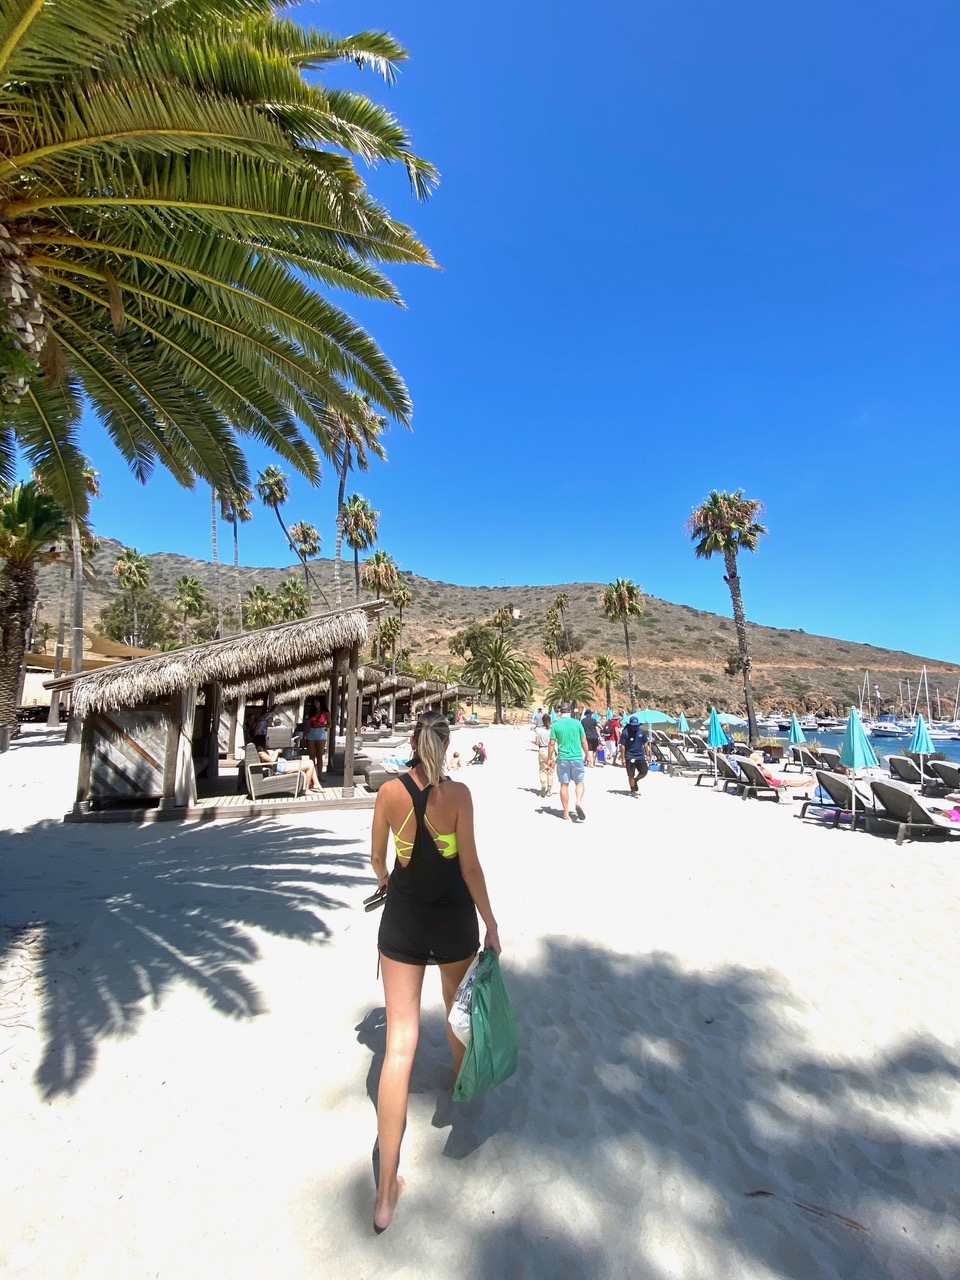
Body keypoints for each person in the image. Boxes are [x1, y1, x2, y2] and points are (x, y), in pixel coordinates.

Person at [370, 711, 500, 1233]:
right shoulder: (460, 795)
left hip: (401, 921)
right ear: (445, 747)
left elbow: (378, 859)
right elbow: (468, 866)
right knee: (455, 1014)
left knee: (399, 1043)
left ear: (410, 742)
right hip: (452, 922)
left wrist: (387, 880)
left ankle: (384, 1193)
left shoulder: (388, 793)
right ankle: (462, 1089)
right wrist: (490, 921)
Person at [548, 701, 588, 821]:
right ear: (571, 711)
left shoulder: (556, 725)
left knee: (564, 785)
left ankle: (566, 814)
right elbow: (584, 741)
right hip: (577, 757)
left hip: (563, 759)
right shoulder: (578, 723)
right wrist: (588, 755)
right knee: (579, 782)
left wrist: (550, 758)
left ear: (561, 711)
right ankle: (578, 802)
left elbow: (551, 744)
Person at [256, 744, 322, 793]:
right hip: (283, 767)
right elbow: (272, 760)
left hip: (284, 764)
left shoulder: (264, 751)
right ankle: (306, 790)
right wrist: (276, 751)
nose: (268, 740)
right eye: (266, 739)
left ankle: (316, 784)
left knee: (310, 762)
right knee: (310, 764)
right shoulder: (261, 753)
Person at [619, 715, 652, 797]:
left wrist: (647, 754)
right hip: (629, 756)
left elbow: (645, 743)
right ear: (630, 724)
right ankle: (633, 790)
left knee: (644, 772)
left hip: (640, 755)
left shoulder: (641, 731)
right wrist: (623, 758)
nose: (635, 727)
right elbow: (622, 746)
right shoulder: (625, 732)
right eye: (633, 726)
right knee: (631, 775)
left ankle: (635, 780)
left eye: (636, 725)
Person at [533, 712, 554, 798]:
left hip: (542, 749)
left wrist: (534, 742)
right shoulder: (552, 730)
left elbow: (537, 742)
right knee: (551, 771)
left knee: (542, 769)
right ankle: (549, 790)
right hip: (551, 750)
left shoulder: (538, 730)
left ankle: (543, 784)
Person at [303, 702, 328, 771]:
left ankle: (320, 775)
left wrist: (320, 725)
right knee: (311, 756)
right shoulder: (311, 713)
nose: (316, 704)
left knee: (319, 756)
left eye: (317, 702)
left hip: (321, 734)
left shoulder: (325, 713)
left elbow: (329, 724)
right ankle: (313, 774)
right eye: (315, 703)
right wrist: (304, 736)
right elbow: (307, 725)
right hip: (311, 734)